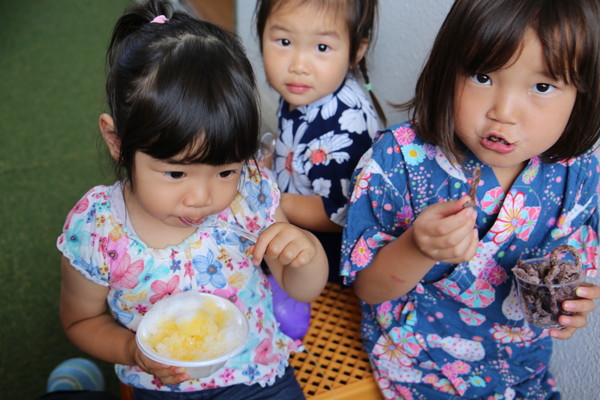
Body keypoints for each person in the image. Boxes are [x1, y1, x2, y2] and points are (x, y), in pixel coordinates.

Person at [56, 1, 328, 399]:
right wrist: (132, 351)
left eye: (225, 171)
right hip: (161, 385)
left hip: (255, 372)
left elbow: (300, 288)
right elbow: (80, 321)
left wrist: (307, 255)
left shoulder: (250, 194)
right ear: (117, 141)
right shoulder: (97, 230)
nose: (202, 198)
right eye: (176, 173)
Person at [340, 0, 600, 398]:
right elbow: (368, 287)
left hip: (521, 366)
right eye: (482, 77)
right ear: (448, 70)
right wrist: (417, 247)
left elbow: (574, 262)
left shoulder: (578, 174)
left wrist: (573, 304)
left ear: (581, 95)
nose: (504, 112)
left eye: (542, 87)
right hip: (418, 361)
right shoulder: (397, 160)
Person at [255, 0, 385, 284]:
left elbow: (337, 213)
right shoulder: (308, 90)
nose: (298, 66)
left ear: (356, 51)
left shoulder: (344, 127)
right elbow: (291, 138)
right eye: (284, 42)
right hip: (291, 205)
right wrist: (269, 161)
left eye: (322, 47)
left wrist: (272, 200)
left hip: (324, 248)